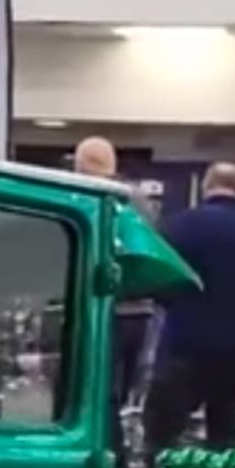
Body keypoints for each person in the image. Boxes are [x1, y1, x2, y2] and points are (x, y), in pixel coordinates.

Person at [142, 162, 235, 454]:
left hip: (185, 344)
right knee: (226, 436)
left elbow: (154, 278)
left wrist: (179, 303)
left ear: (205, 188)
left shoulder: (179, 226)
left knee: (163, 434)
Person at [72, 136, 155, 410]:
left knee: (92, 392)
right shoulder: (138, 201)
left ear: (79, 166)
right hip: (138, 310)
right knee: (123, 394)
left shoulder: (80, 196)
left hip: (97, 309)